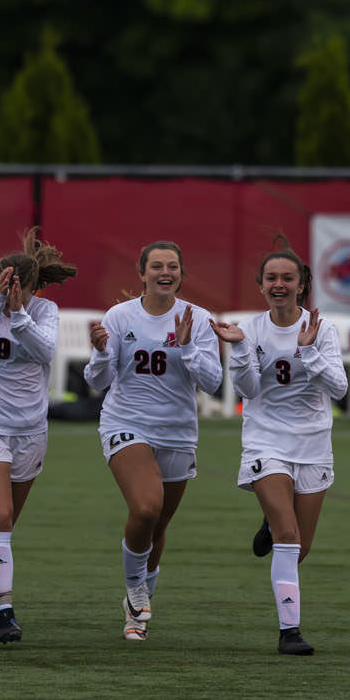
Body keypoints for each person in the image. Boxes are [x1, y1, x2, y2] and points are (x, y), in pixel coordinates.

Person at [211, 239, 347, 656]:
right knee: (289, 536)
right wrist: (236, 348)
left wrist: (308, 352)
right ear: (261, 285)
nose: (279, 284)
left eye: (287, 278)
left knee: (299, 548)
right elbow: (248, 389)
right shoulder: (250, 329)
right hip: (265, 440)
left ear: (302, 284)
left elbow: (339, 389)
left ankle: (271, 524)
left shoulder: (322, 329)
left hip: (313, 445)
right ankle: (290, 632)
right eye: (271, 278)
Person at [84, 240, 223, 641]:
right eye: (158, 266)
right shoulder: (120, 316)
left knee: (158, 525)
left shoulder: (197, 319)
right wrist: (99, 353)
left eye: (173, 266)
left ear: (182, 273)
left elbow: (213, 384)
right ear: (141, 273)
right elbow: (97, 382)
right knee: (146, 508)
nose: (166, 273)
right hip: (126, 422)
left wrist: (187, 348)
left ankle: (134, 618)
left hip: (177, 431)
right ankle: (135, 590)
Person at [0, 229, 77, 644]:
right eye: (4, 283)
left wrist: (20, 310)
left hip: (29, 428)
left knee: (4, 521)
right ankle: (4, 611)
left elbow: (44, 351)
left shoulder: (44, 310)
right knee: (1, 516)